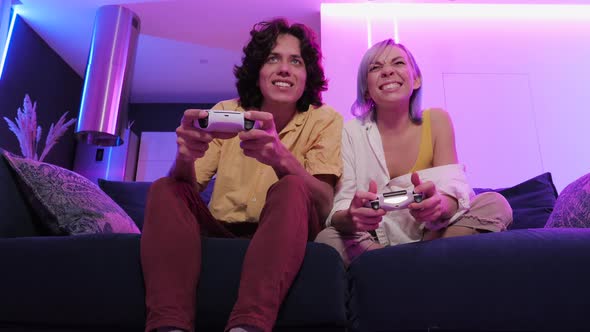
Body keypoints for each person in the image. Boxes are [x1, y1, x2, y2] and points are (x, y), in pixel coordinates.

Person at [140, 18, 343, 332]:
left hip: (286, 231)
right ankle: (170, 326)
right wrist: (184, 158)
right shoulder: (227, 109)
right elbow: (187, 188)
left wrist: (281, 158)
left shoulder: (324, 119)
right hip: (220, 228)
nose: (284, 68)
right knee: (165, 186)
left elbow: (325, 202)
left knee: (290, 186)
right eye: (273, 58)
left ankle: (248, 326)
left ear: (307, 75)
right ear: (257, 71)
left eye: (296, 61)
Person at [315, 39, 512, 266]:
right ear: (366, 89)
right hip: (376, 240)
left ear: (416, 79)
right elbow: (340, 207)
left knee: (495, 203)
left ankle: (398, 268)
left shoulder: (436, 120)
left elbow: (453, 189)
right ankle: (420, 266)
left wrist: (439, 206)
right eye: (375, 68)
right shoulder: (349, 132)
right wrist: (352, 216)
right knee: (326, 238)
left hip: (433, 234)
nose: (388, 71)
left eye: (398, 63)